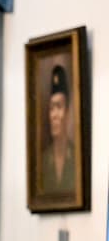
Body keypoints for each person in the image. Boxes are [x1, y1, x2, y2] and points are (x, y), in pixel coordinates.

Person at [41, 64, 76, 196]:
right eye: (51, 108)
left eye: (59, 107)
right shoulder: (44, 160)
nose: (54, 115)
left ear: (67, 113)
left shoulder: (75, 157)